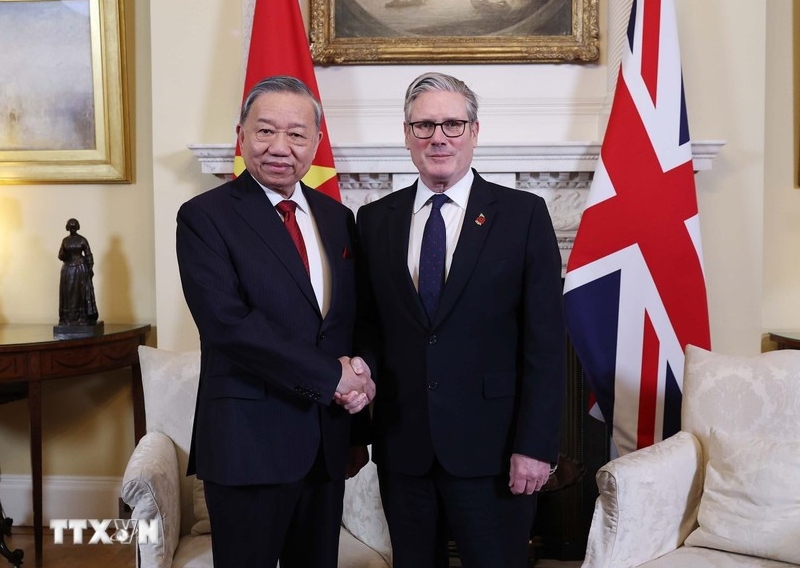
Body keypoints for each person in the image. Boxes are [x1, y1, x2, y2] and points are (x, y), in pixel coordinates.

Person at [354, 72, 566, 568]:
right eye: (424, 125)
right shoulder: (375, 220)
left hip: (494, 451)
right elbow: (367, 326)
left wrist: (535, 446)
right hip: (404, 448)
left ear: (474, 131)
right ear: (406, 135)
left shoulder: (523, 215)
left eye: (452, 124)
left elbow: (545, 343)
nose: (438, 137)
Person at [176, 75, 375, 568]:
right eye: (265, 131)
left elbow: (349, 320)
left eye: (297, 134)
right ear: (240, 135)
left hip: (325, 447)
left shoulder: (337, 217)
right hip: (249, 445)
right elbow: (229, 324)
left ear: (315, 143)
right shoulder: (205, 217)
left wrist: (362, 383)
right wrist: (333, 377)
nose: (280, 147)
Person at [57, 218, 99, 326]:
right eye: (71, 227)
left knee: (80, 293)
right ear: (68, 228)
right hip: (68, 269)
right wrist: (64, 256)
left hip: (80, 269)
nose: (72, 229)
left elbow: (89, 255)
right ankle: (68, 318)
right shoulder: (65, 240)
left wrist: (90, 269)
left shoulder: (82, 240)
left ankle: (82, 317)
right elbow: (60, 254)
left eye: (74, 227)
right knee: (68, 293)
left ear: (77, 227)